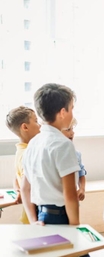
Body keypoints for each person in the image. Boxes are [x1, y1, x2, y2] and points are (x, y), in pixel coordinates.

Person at [20, 83, 80, 226]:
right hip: (61, 217)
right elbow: (70, 195)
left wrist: (33, 220)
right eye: (72, 108)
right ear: (63, 112)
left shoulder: (33, 143)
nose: (73, 113)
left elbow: (24, 188)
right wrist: (76, 226)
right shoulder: (63, 144)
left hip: (41, 216)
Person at [5, 106, 41, 223]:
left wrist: (18, 190)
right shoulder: (28, 153)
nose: (39, 125)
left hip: (28, 214)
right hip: (35, 215)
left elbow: (17, 177)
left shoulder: (20, 151)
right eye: (36, 121)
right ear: (25, 127)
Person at [61, 118, 87, 201]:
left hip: (72, 200)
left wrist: (82, 189)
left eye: (72, 129)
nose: (72, 133)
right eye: (68, 129)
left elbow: (81, 173)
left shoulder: (76, 154)